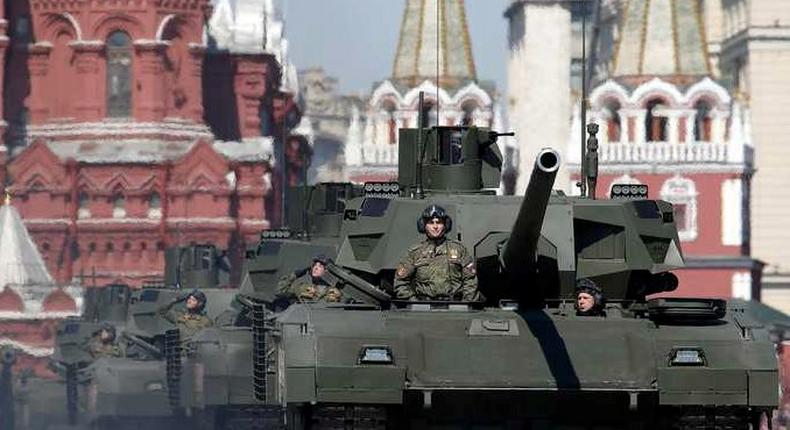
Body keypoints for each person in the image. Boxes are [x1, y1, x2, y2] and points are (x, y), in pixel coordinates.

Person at [394, 205, 480, 302]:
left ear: (445, 225)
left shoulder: (459, 249)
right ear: (424, 226)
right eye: (431, 223)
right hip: (423, 308)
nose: (435, 227)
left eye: (439, 223)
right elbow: (400, 281)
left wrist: (466, 304)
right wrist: (413, 302)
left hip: (455, 306)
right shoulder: (415, 252)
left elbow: (470, 280)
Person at [277, 255, 344, 303]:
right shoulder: (303, 288)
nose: (315, 268)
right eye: (315, 265)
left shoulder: (336, 292)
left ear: (327, 271)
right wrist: (295, 274)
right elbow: (280, 291)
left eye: (320, 266)